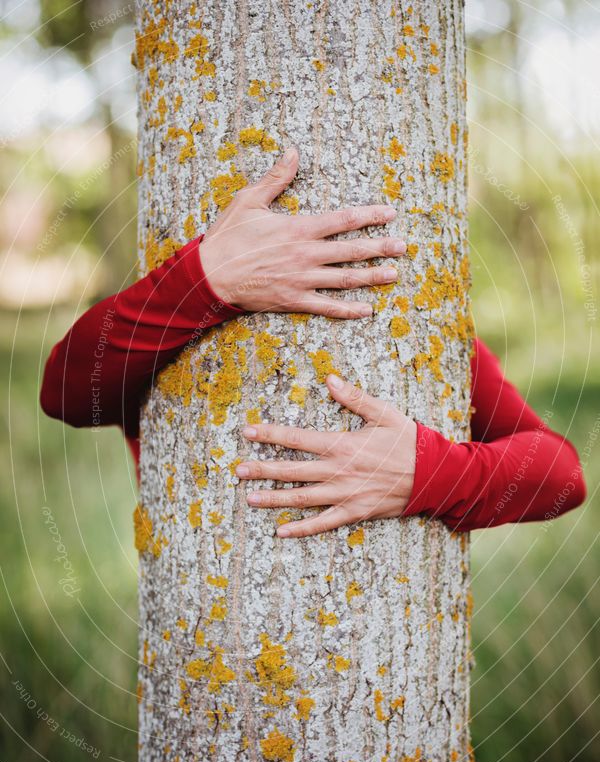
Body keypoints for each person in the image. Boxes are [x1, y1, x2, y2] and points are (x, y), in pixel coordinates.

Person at [40, 147, 586, 538]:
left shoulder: (430, 335)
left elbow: (563, 475)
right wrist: (210, 277)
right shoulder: (167, 315)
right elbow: (64, 392)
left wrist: (429, 473)